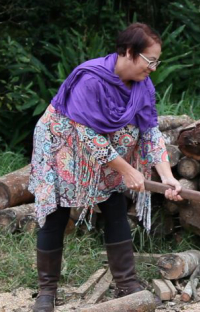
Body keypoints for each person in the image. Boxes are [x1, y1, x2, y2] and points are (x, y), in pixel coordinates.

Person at [27, 23, 182, 312]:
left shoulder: (142, 86)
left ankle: (126, 283)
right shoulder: (90, 78)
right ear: (127, 52)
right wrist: (126, 170)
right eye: (150, 61)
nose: (154, 68)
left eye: (157, 62)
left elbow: (149, 132)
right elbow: (87, 135)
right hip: (63, 145)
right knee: (57, 213)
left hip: (107, 151)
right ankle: (46, 292)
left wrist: (167, 176)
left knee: (114, 205)